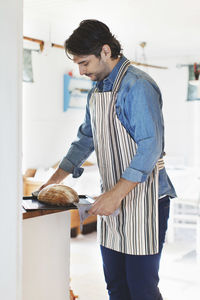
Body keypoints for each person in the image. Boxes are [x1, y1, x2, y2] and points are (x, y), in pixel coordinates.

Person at [39, 19, 176, 300]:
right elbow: (84, 141)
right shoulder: (97, 91)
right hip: (113, 202)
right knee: (115, 285)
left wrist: (116, 195)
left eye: (84, 62)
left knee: (142, 289)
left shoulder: (138, 86)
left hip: (145, 202)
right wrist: (49, 185)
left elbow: (151, 147)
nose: (81, 70)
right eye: (77, 63)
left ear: (105, 51)